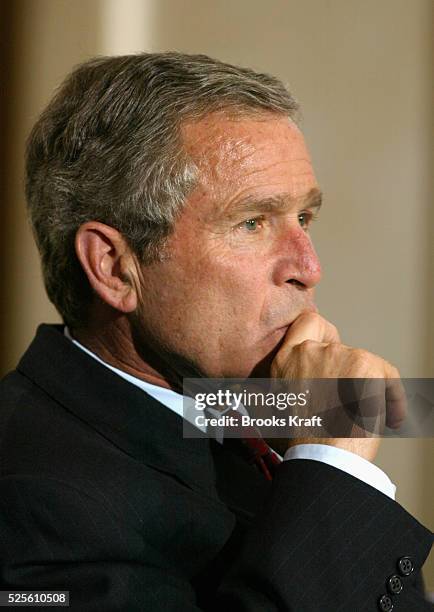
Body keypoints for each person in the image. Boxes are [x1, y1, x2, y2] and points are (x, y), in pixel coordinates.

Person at [0, 52, 432, 611]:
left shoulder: (246, 414)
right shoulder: (28, 500)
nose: (309, 266)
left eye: (304, 218)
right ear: (113, 266)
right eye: (251, 222)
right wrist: (331, 471)